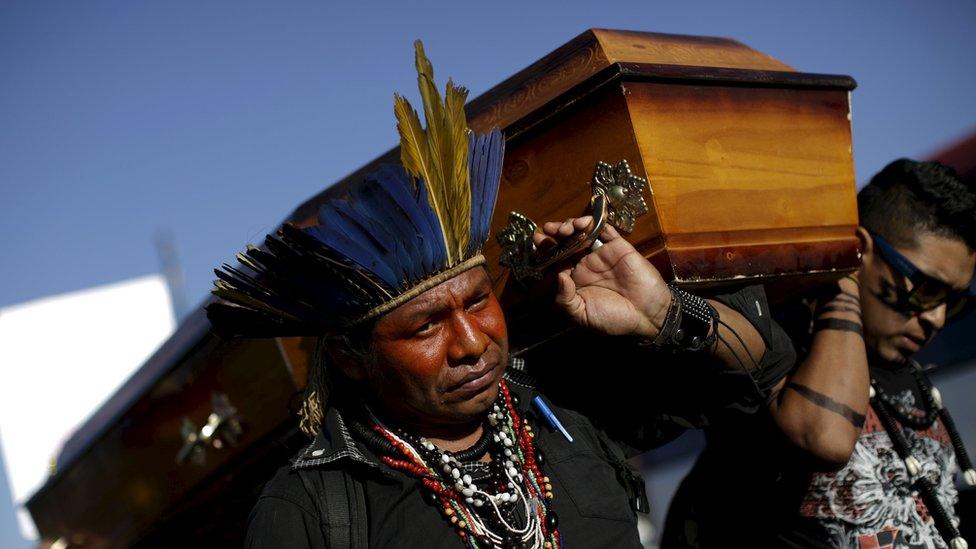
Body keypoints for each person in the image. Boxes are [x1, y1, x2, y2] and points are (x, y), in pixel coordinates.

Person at [207, 42, 793, 548]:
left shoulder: (566, 411)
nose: (471, 342)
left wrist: (665, 314)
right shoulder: (314, 511)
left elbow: (761, 371)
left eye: (479, 302)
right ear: (350, 356)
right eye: (425, 327)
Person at [663, 159, 976, 548]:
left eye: (954, 301)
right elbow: (822, 436)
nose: (937, 317)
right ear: (860, 250)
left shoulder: (917, 381)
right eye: (926, 289)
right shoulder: (779, 349)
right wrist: (840, 275)